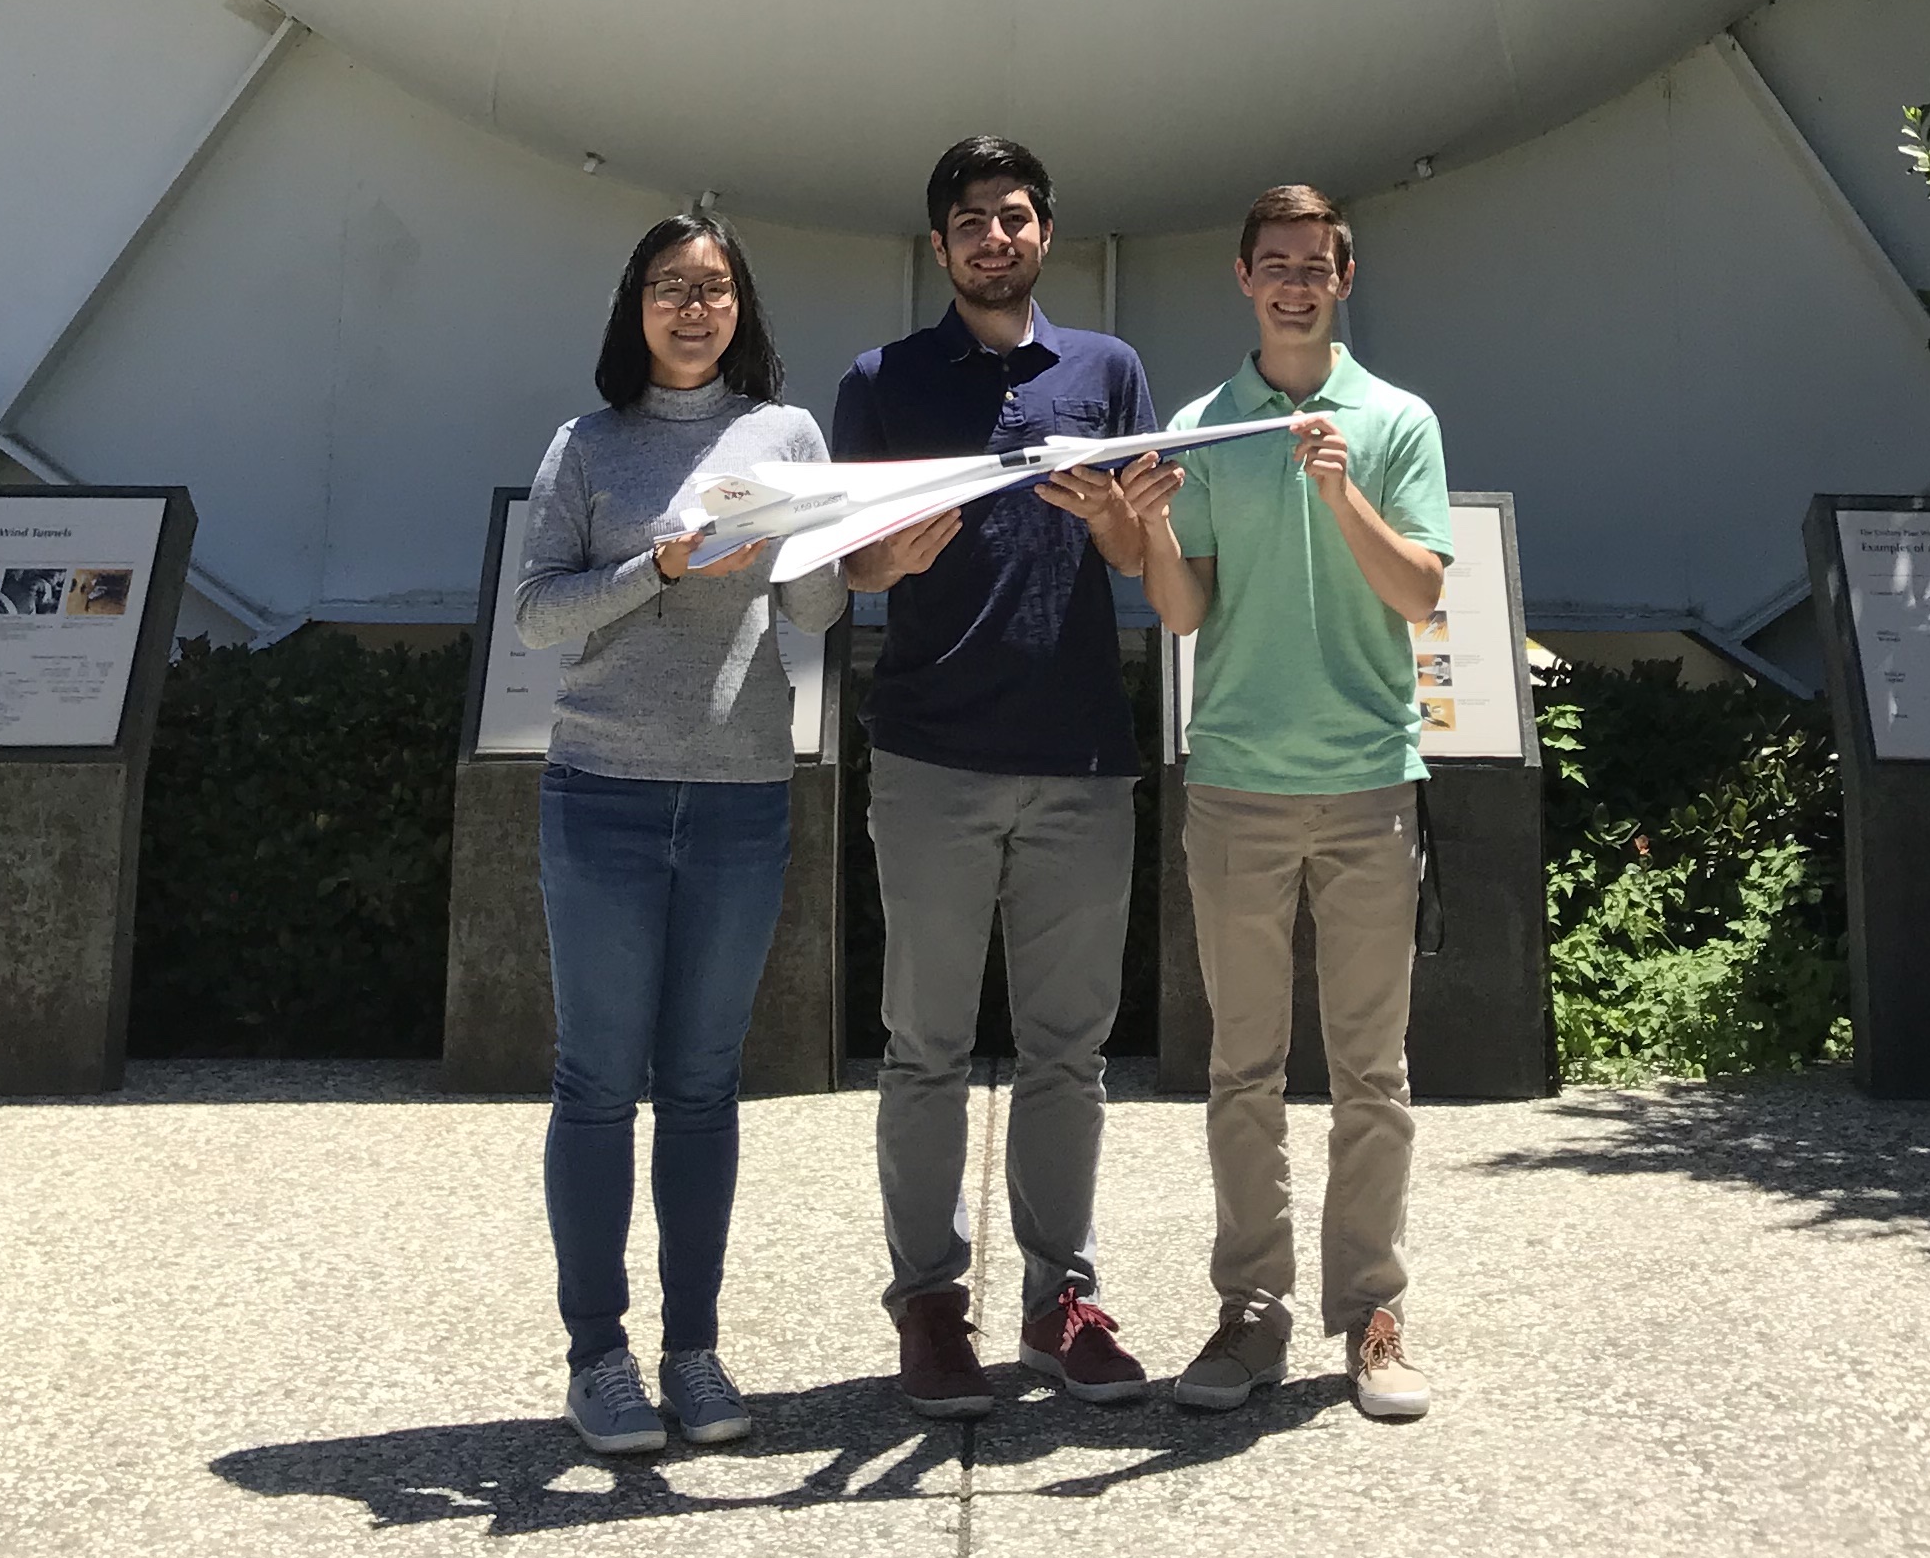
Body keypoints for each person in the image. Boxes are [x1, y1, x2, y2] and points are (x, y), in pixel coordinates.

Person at [831, 136, 1178, 1416]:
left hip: (1081, 755)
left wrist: (1122, 525)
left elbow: (1141, 555)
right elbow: (849, 565)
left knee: (1068, 1053)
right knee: (923, 1047)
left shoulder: (1107, 370)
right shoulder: (882, 381)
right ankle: (930, 1305)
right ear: (941, 245)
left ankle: (1058, 1300)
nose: (995, 236)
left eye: (1015, 215)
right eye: (971, 219)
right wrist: (889, 562)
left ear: (1045, 235)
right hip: (931, 754)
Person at [516, 209, 849, 1457]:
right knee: (599, 1082)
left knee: (706, 1086)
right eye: (670, 287)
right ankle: (596, 1357)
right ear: (636, 307)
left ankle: (693, 1350)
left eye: (713, 289)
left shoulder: (787, 437)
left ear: (741, 307)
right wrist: (654, 569)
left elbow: (813, 608)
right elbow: (537, 614)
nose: (693, 309)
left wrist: (856, 552)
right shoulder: (587, 445)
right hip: (601, 790)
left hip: (740, 793)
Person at [1131, 183, 1451, 1426]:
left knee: (1373, 1073)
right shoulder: (1204, 427)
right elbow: (1183, 613)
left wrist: (1340, 491)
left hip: (1369, 784)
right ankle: (1251, 1311)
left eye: (1316, 266)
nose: (1296, 284)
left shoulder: (1397, 421)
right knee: (1242, 1071)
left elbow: (1419, 594)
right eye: (1276, 264)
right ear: (1244, 279)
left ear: (1344, 280)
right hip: (1236, 785)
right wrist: (1152, 534)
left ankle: (1372, 1313)